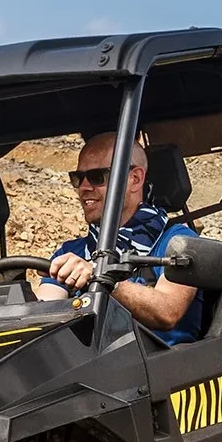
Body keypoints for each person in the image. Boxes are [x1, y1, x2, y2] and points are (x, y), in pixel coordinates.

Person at [39, 134, 203, 345]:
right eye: (78, 178)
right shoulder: (71, 253)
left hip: (163, 370)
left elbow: (168, 311)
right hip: (90, 368)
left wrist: (102, 279)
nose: (84, 187)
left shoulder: (180, 242)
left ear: (135, 179)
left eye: (97, 177)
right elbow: (44, 317)